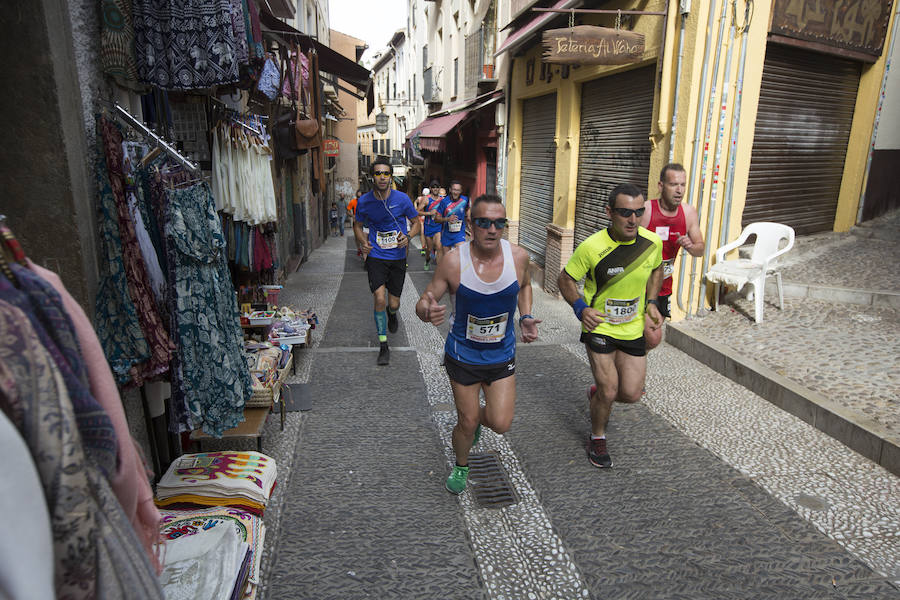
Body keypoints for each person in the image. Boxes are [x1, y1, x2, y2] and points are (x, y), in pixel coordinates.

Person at [416, 194, 540, 494]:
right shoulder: (454, 261)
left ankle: (476, 423)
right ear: (471, 224)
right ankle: (461, 465)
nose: (492, 229)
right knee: (467, 422)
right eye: (484, 222)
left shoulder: (519, 258)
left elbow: (524, 286)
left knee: (500, 422)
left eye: (499, 223)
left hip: (501, 354)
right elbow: (425, 301)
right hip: (464, 355)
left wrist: (526, 316)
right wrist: (426, 311)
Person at [557, 183, 663, 469]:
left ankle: (598, 394)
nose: (633, 219)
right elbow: (565, 279)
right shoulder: (592, 247)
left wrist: (652, 302)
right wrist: (581, 309)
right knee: (609, 390)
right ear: (609, 212)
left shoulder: (652, 243)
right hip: (600, 327)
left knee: (630, 394)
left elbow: (657, 268)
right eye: (625, 212)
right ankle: (597, 436)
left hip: (632, 328)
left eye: (638, 212)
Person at [353, 158, 421, 365]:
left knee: (394, 303)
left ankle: (393, 314)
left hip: (398, 258)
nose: (382, 177)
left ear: (391, 176)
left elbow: (417, 223)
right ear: (372, 177)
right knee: (379, 299)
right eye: (378, 174)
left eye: (386, 174)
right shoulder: (364, 201)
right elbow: (357, 225)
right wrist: (363, 242)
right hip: (375, 257)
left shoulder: (402, 199)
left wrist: (408, 237)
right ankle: (383, 345)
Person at [639, 163, 705, 349]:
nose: (679, 190)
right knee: (652, 337)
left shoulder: (688, 213)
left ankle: (630, 371)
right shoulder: (647, 210)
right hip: (639, 286)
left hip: (663, 287)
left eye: (683, 185)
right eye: (674, 184)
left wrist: (690, 246)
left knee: (647, 339)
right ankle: (629, 373)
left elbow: (700, 250)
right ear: (661, 186)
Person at [435, 181, 468, 264]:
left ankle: (459, 275)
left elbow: (469, 211)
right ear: (450, 190)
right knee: (447, 259)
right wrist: (447, 219)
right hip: (446, 234)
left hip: (459, 233)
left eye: (457, 190)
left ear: (460, 191)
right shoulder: (444, 202)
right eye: (454, 190)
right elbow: (436, 219)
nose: (455, 192)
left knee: (461, 254)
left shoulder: (465, 200)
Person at [419, 182, 443, 271]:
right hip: (428, 226)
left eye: (437, 187)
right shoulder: (426, 199)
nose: (435, 189)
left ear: (439, 188)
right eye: (433, 187)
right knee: (429, 248)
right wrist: (429, 213)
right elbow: (417, 211)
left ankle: (439, 269)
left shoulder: (442, 199)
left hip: (438, 226)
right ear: (430, 188)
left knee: (439, 246)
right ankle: (427, 260)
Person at [414, 186, 430, 257]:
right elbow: (415, 202)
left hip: (428, 217)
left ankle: (429, 247)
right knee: (423, 232)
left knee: (427, 233)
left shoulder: (430, 199)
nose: (425, 197)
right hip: (421, 217)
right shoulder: (419, 198)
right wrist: (415, 209)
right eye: (424, 195)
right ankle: (423, 247)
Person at [347, 190, 363, 257]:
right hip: (356, 222)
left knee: (364, 236)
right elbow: (347, 211)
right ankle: (359, 249)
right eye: (358, 197)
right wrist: (353, 216)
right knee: (357, 237)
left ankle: (364, 249)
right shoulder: (353, 201)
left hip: (364, 222)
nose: (359, 198)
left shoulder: (365, 202)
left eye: (360, 196)